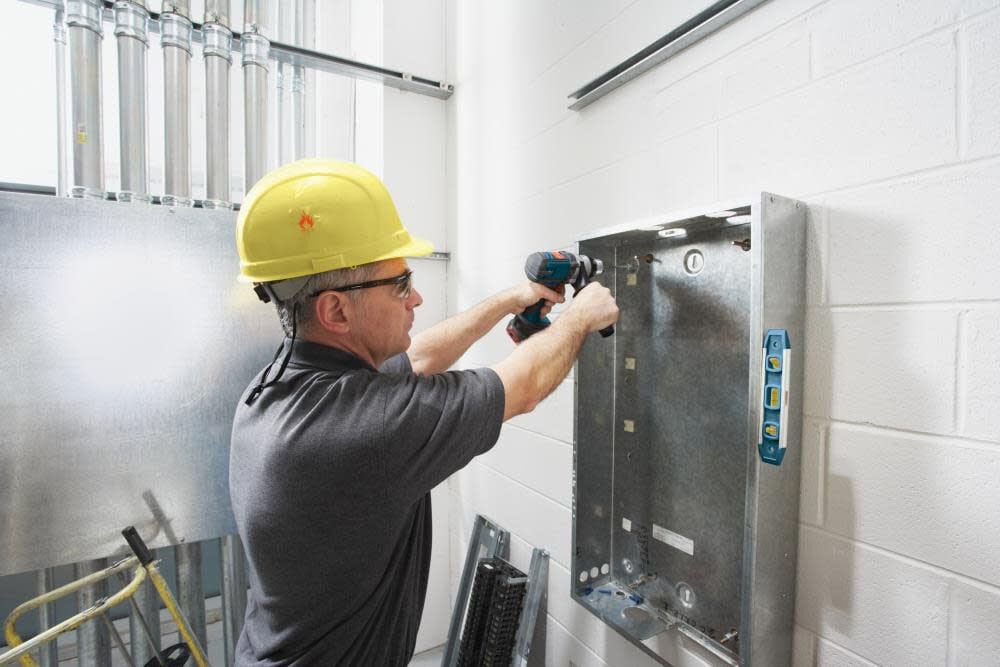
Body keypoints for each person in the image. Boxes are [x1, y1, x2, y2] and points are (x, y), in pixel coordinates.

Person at [229, 159, 618, 666]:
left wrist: (509, 301)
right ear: (336, 311)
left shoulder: (283, 386)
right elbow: (521, 388)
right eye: (399, 283)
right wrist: (581, 317)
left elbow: (415, 360)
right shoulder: (359, 431)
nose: (416, 297)